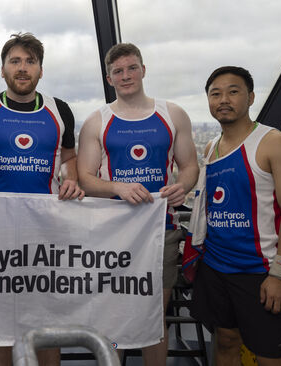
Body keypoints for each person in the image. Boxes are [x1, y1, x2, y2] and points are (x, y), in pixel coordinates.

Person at [0, 32, 84, 366]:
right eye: (15, 61)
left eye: (30, 61)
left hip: (49, 231)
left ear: (41, 70)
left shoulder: (60, 111)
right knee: (2, 321)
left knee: (48, 317)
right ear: (3, 70)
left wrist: (70, 180)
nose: (22, 68)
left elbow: (70, 159)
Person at [77, 43, 199, 365]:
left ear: (143, 70)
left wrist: (182, 186)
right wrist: (118, 187)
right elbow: (85, 178)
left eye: (132, 68)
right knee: (111, 311)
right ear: (109, 78)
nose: (126, 75)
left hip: (161, 228)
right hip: (111, 231)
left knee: (155, 314)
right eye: (118, 71)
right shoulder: (96, 122)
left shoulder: (172, 114)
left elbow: (190, 167)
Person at [190, 66, 281, 365]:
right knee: (225, 340)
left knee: (272, 355)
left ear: (251, 97)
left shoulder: (274, 143)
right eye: (215, 94)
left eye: (233, 91)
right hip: (214, 266)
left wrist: (280, 275)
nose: (223, 99)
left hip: (258, 272)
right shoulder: (212, 147)